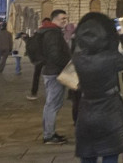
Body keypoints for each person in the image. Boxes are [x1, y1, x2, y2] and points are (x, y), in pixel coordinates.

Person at [73, 12, 123, 163]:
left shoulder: (78, 59)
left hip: (86, 108)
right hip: (110, 108)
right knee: (110, 153)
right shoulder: (111, 57)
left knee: (88, 154)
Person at [40, 9, 72, 145]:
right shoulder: (53, 33)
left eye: (66, 19)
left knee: (52, 104)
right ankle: (48, 135)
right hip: (55, 72)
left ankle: (50, 133)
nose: (64, 21)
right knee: (52, 104)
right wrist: (66, 65)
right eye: (62, 19)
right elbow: (55, 55)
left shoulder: (51, 31)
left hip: (52, 71)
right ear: (54, 19)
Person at [28, 17, 51, 101]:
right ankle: (51, 94)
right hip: (50, 58)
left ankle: (34, 93)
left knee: (36, 76)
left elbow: (32, 46)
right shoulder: (54, 32)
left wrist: (33, 58)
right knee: (51, 76)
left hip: (39, 58)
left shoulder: (38, 33)